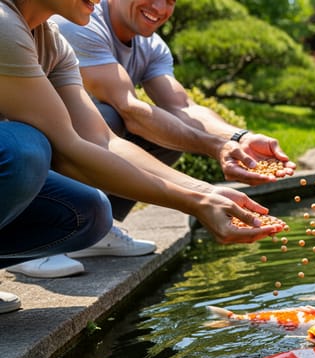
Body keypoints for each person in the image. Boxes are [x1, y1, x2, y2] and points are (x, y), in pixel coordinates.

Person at [0, 0, 285, 314]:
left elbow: (103, 141)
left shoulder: (51, 41)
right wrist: (193, 202)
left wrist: (206, 191)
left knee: (90, 213)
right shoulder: (4, 24)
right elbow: (70, 150)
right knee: (25, 150)